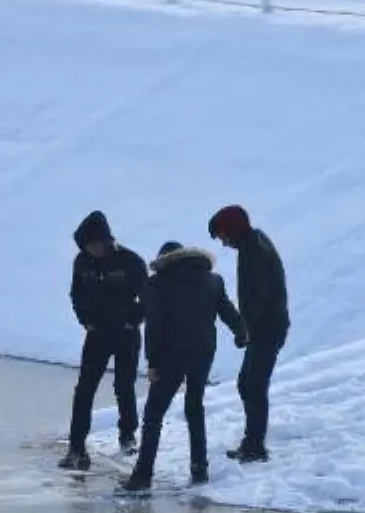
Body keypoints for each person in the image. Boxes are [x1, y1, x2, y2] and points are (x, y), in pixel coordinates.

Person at [117, 242, 247, 495]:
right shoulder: (213, 281)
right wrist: (242, 332)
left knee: (153, 416)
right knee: (195, 408)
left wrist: (152, 362)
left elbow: (154, 324)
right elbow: (229, 312)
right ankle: (199, 470)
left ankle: (143, 476)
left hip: (170, 357)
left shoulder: (157, 284)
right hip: (202, 353)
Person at [58, 211, 148, 471]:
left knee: (124, 385)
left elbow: (148, 297)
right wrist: (85, 319)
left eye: (95, 244)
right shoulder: (82, 262)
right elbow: (76, 294)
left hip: (126, 333)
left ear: (106, 240)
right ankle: (76, 447)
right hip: (97, 333)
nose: (92, 249)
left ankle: (128, 434)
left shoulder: (131, 262)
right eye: (87, 246)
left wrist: (134, 321)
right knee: (84, 388)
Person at [207, 204, 289, 463]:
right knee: (250, 384)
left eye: (222, 236)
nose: (223, 243)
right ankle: (253, 442)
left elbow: (257, 298)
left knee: (252, 385)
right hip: (267, 327)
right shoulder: (255, 242)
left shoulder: (254, 251)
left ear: (232, 230)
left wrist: (247, 331)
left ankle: (255, 446)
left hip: (267, 329)